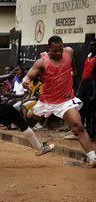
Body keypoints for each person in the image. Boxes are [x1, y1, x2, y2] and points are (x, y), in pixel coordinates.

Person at [22, 35, 96, 167]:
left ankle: (92, 158)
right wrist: (25, 82)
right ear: (48, 49)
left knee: (78, 126)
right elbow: (28, 77)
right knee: (28, 122)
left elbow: (74, 68)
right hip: (46, 101)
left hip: (64, 101)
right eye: (54, 51)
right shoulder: (41, 62)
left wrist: (71, 78)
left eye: (60, 50)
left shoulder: (69, 52)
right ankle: (38, 146)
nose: (58, 53)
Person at [75, 40, 96, 139]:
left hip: (92, 85)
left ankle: (91, 133)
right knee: (81, 108)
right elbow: (84, 73)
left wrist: (94, 94)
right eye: (91, 45)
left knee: (90, 110)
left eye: (94, 45)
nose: (92, 47)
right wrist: (80, 87)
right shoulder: (88, 56)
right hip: (84, 84)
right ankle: (80, 131)